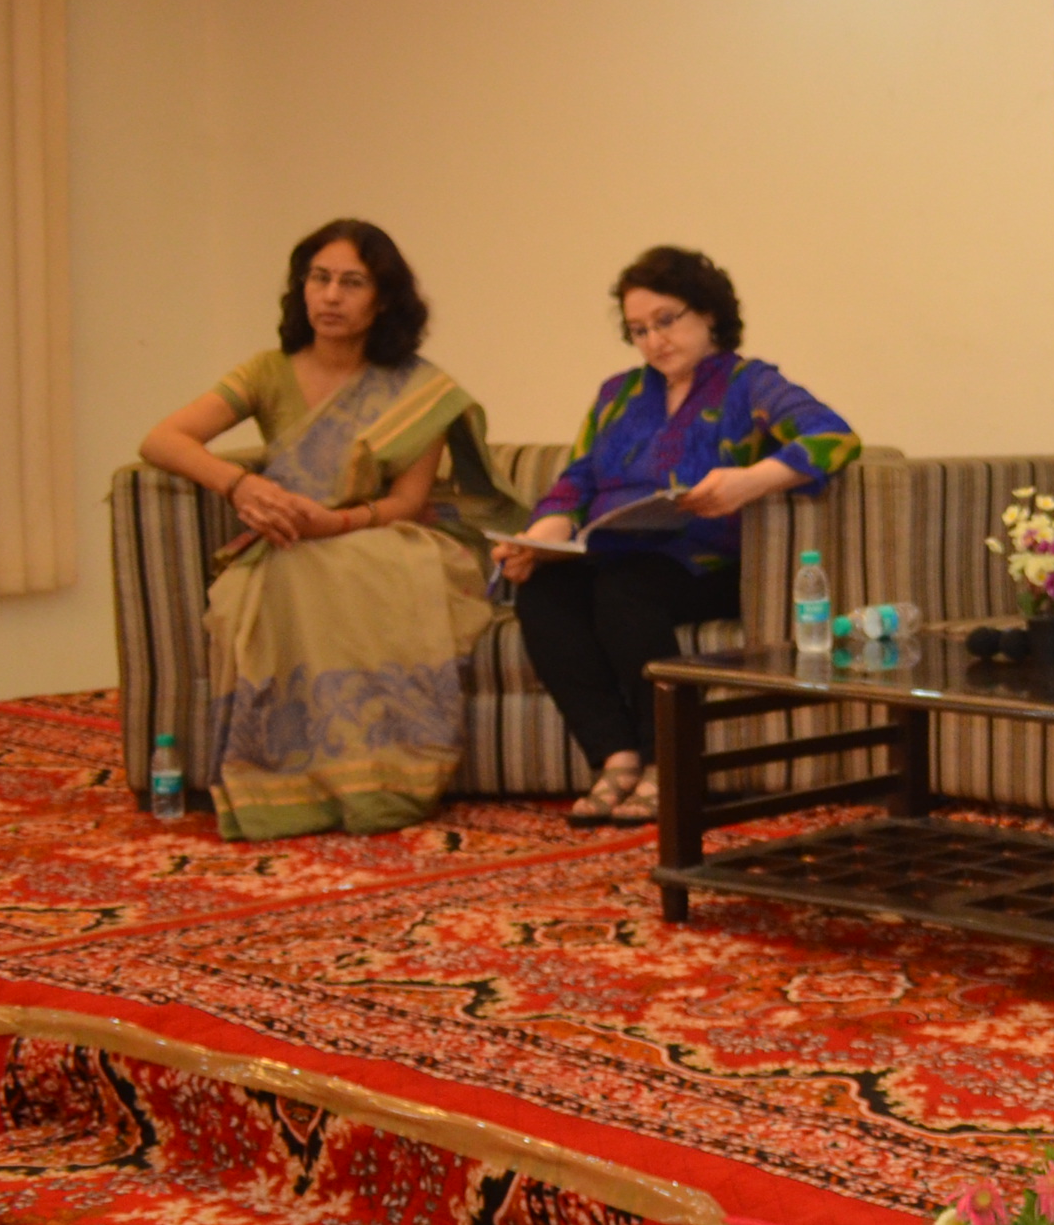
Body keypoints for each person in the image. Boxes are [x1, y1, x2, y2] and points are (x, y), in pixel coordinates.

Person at [138, 220, 512, 840]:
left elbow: (407, 502)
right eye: (320, 278)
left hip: (382, 535)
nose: (331, 296)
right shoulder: (267, 372)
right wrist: (240, 486)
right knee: (270, 581)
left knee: (330, 566)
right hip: (290, 538)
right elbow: (162, 439)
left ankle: (381, 787)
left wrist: (332, 523)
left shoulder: (420, 391)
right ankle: (290, 792)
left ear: (383, 300)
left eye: (352, 283)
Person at [490, 246, 859, 827]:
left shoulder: (748, 384)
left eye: (666, 320)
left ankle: (667, 761)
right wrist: (541, 537)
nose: (654, 340)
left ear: (708, 313)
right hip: (615, 551)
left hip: (704, 562)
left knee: (625, 590)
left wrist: (749, 481)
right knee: (543, 590)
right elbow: (577, 479)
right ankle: (615, 755)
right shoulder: (618, 394)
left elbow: (833, 438)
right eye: (639, 330)